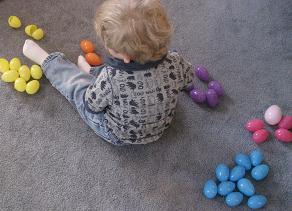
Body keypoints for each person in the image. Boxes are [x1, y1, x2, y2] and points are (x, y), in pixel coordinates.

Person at [22, 0, 193, 146]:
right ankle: (90, 71)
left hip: (118, 135)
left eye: (109, 46)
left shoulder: (112, 78)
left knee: (79, 90)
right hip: (160, 128)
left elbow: (92, 104)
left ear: (125, 57)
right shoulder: (176, 61)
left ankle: (47, 61)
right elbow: (188, 80)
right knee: (115, 81)